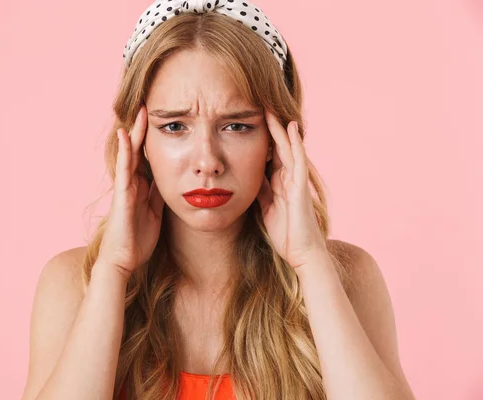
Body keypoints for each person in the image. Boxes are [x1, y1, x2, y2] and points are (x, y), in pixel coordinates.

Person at [21, 1, 416, 399]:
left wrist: (311, 263)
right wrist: (113, 269)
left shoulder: (349, 278)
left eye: (237, 125)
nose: (207, 162)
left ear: (275, 141)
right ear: (139, 142)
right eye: (174, 126)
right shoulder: (74, 285)